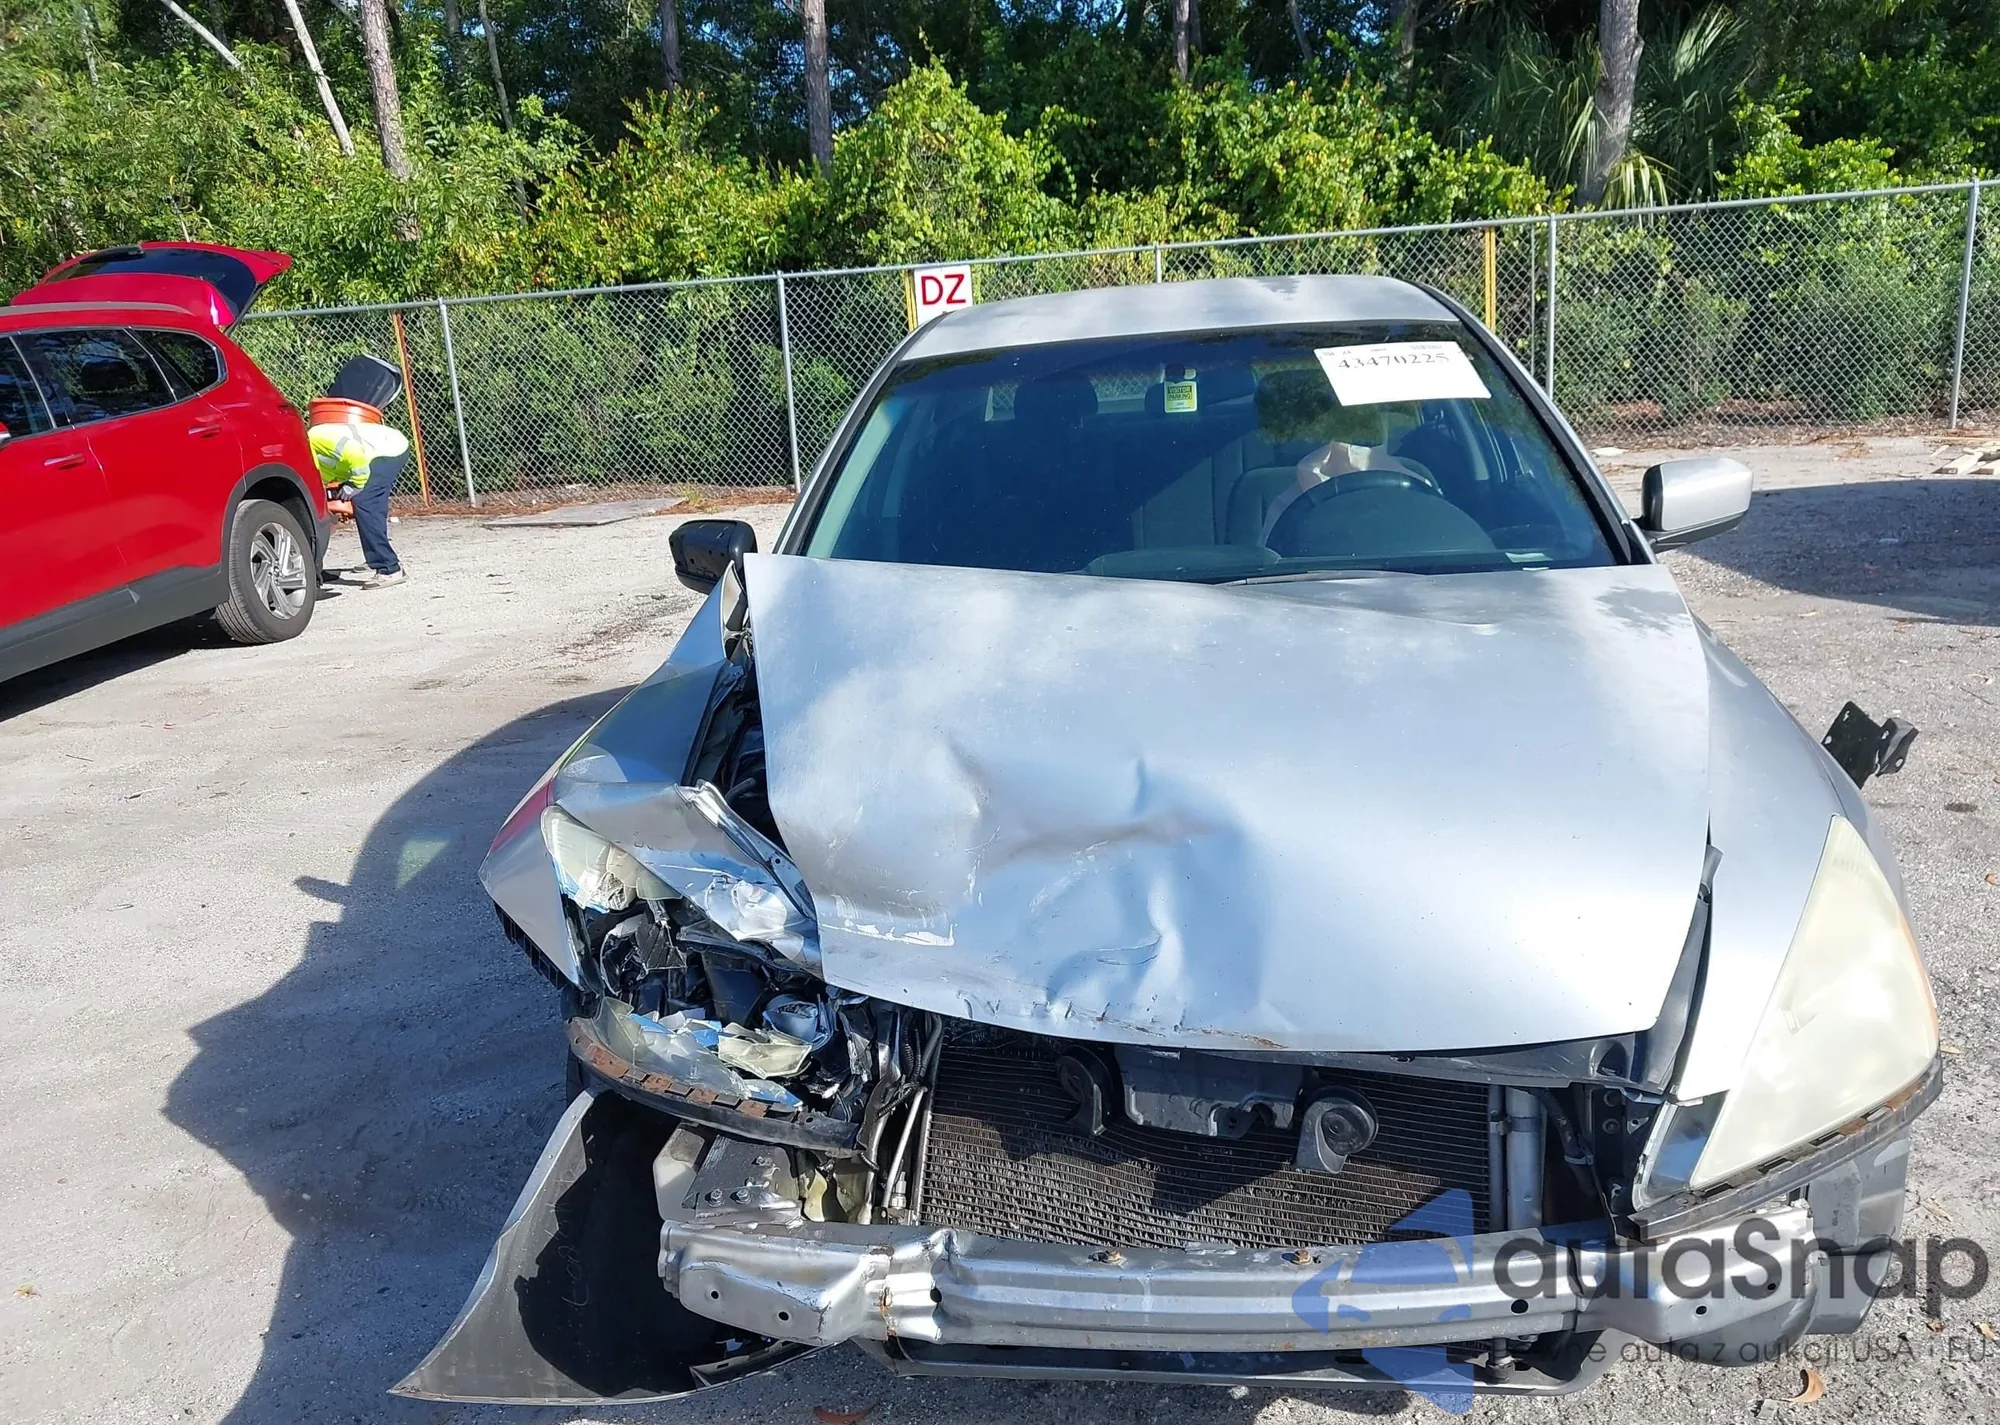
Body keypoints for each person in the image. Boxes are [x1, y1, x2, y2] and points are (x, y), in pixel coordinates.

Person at [309, 412, 410, 586]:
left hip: (388, 448)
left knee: (366, 501)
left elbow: (354, 453)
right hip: (368, 455)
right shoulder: (305, 453)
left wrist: (355, 485)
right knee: (367, 505)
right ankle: (375, 554)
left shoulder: (316, 437)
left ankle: (389, 568)